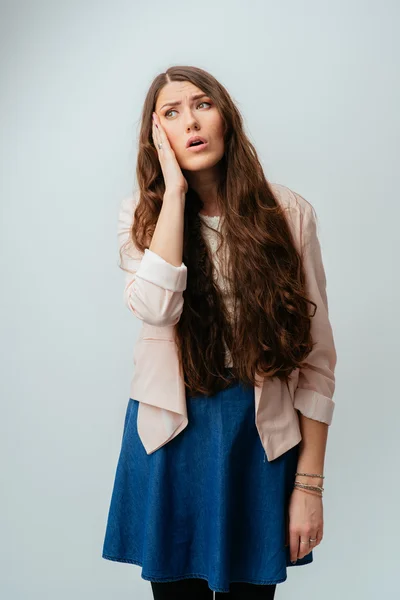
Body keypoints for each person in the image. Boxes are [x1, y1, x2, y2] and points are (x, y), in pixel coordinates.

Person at [102, 65, 337, 599]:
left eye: (203, 104)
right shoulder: (139, 218)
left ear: (226, 117)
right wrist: (175, 193)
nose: (192, 121)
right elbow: (157, 308)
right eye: (172, 112)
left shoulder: (289, 213)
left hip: (258, 433)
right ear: (157, 136)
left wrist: (309, 485)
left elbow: (318, 361)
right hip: (170, 432)